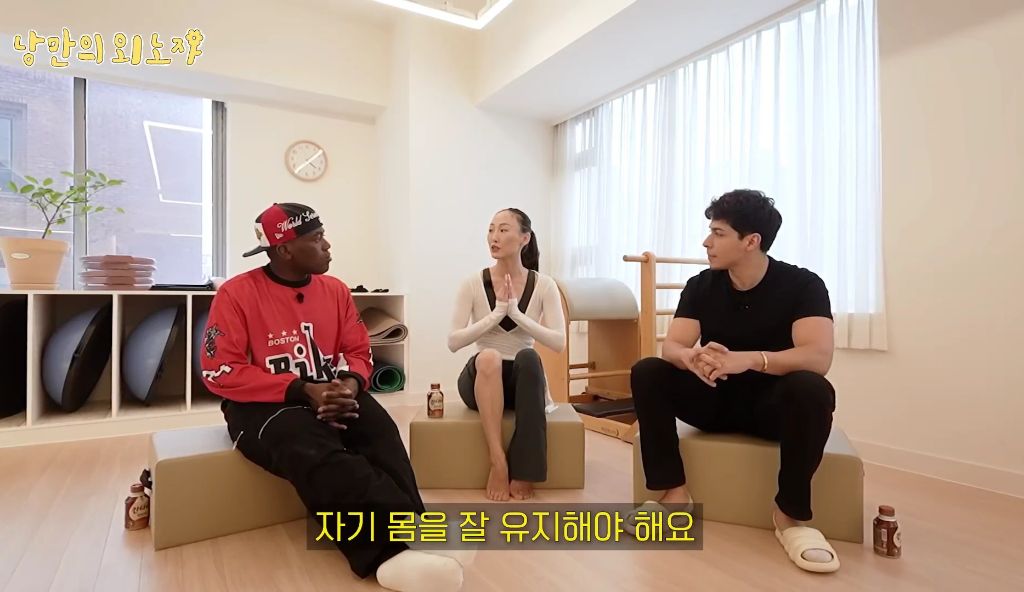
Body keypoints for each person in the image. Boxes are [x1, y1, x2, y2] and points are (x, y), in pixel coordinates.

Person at [200, 202, 463, 592]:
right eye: (316, 238)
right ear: (284, 249)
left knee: (379, 429)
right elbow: (220, 370)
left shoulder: (336, 290)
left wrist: (351, 384)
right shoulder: (237, 294)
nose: (327, 245)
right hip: (261, 405)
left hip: (329, 388)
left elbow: (359, 351)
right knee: (310, 445)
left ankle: (416, 527)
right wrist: (301, 389)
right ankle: (386, 555)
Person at [629, 189, 841, 573]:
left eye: (718, 233)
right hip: (714, 400)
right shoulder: (701, 285)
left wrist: (750, 360)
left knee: (812, 388)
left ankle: (790, 516)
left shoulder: (803, 284)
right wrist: (689, 357)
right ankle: (674, 494)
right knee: (648, 371)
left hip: (771, 410)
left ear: (751, 241)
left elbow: (817, 357)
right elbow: (672, 346)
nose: (706, 242)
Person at [447, 208, 566, 501]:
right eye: (491, 230)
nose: (494, 237)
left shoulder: (544, 285)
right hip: (481, 378)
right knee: (489, 356)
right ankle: (498, 461)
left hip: (522, 383)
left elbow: (558, 342)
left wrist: (516, 314)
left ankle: (525, 470)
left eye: (503, 230)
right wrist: (496, 314)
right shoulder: (473, 282)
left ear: (524, 238)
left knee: (529, 357)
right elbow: (454, 341)